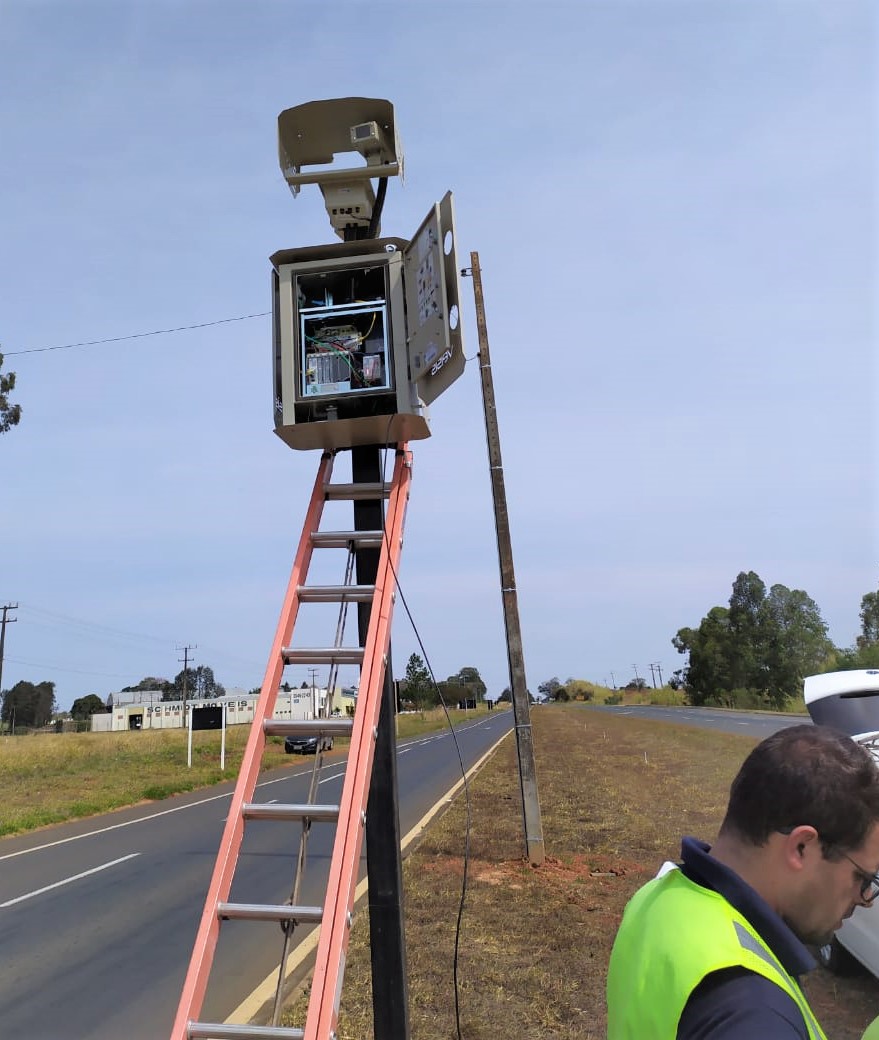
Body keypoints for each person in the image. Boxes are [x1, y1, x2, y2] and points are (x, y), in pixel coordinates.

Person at [606, 724, 879, 1039]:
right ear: (802, 847)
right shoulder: (756, 1016)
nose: (865, 898)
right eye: (862, 876)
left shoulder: (661, 894)